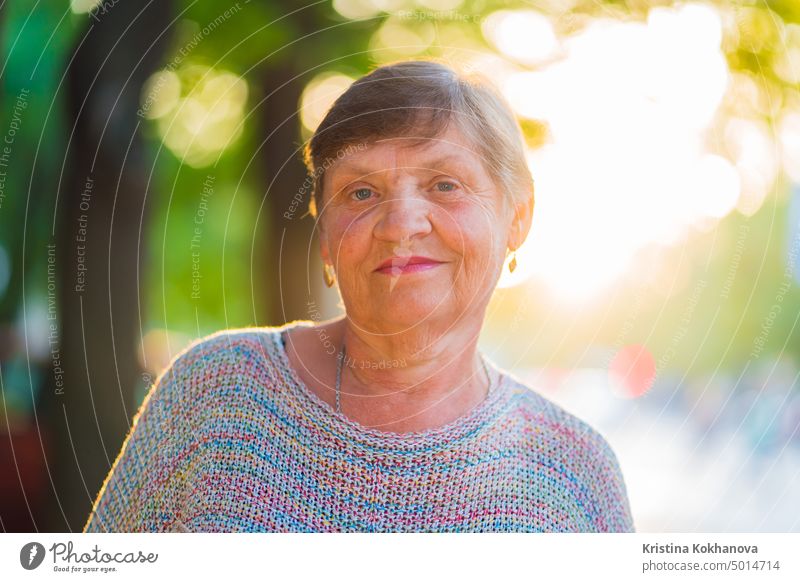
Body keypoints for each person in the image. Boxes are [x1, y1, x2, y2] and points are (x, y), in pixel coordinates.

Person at [84, 59, 634, 533]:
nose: (400, 223)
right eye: (361, 192)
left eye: (445, 184)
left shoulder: (577, 474)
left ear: (517, 217)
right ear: (325, 234)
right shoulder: (214, 393)